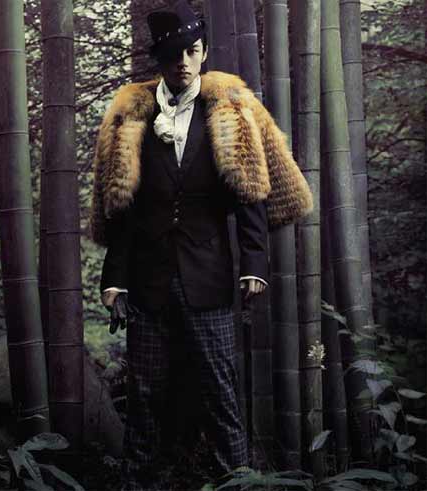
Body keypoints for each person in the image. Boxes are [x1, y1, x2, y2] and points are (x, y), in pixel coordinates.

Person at [89, 1, 313, 489]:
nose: (184, 62)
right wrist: (114, 280)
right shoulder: (132, 118)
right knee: (144, 395)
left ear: (205, 51)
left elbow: (251, 193)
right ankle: (137, 483)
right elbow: (122, 208)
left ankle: (241, 481)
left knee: (221, 392)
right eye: (173, 54)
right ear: (159, 60)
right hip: (147, 280)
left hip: (208, 277)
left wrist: (254, 265)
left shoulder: (229, 111)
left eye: (192, 51)